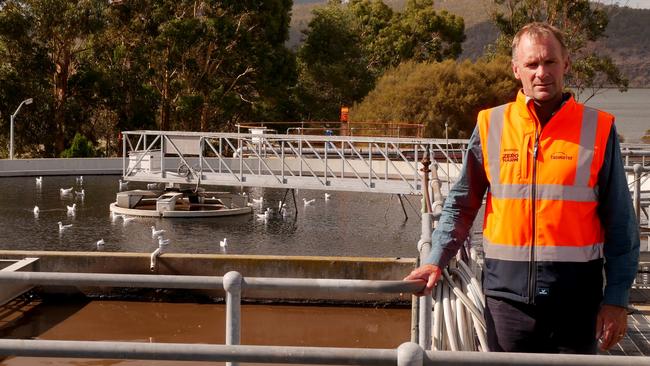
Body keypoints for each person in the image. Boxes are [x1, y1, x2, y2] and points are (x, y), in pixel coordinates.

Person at [405, 22, 640, 354]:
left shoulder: (598, 128)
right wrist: (435, 260)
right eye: (532, 64)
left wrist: (616, 299)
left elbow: (620, 224)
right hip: (507, 303)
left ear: (566, 64)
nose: (541, 72)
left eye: (549, 62)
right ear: (517, 69)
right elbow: (462, 203)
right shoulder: (491, 124)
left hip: (576, 303)